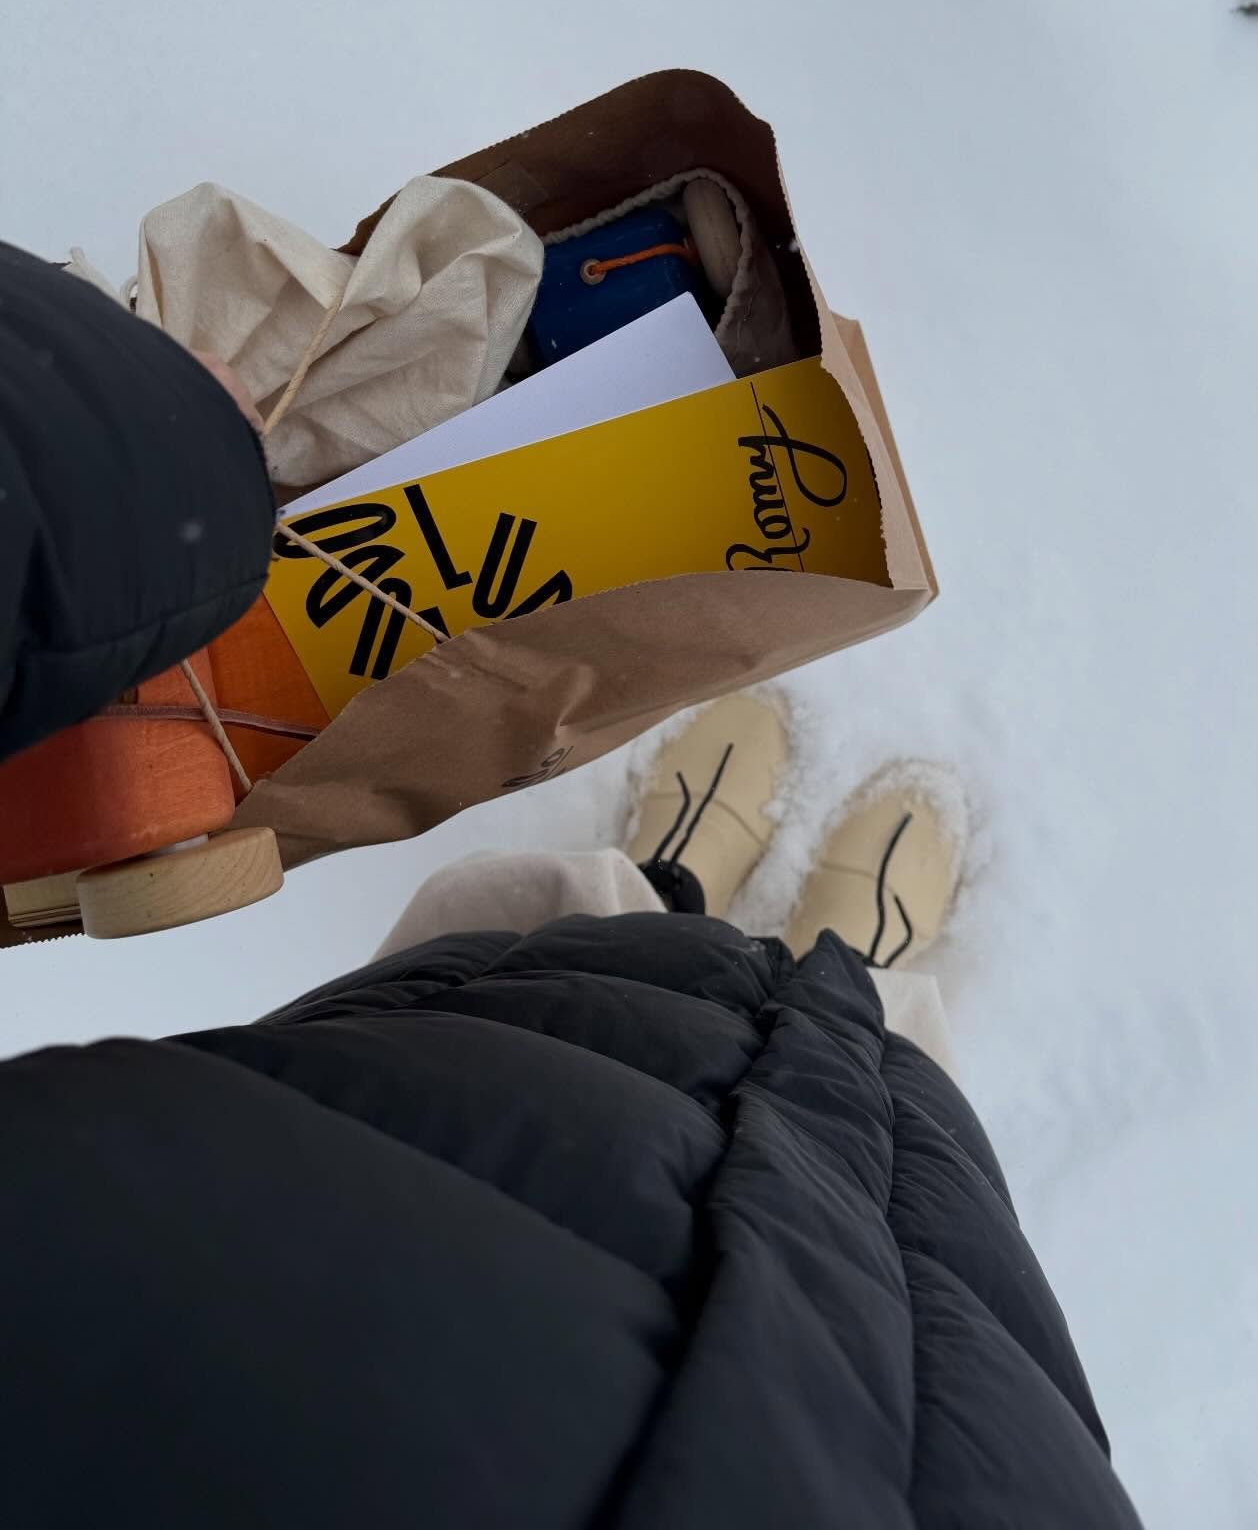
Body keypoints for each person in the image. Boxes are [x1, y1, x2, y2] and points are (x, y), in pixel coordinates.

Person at [0, 238, 1143, 1528]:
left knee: (562, 1005)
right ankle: (844, 966)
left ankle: (669, 892)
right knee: (840, 1147)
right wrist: (151, 452)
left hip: (241, 1243)